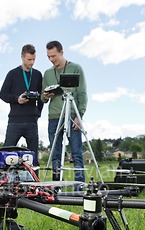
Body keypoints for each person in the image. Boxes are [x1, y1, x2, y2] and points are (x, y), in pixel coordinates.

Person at [41, 40, 88, 182]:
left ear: (61, 52)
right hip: (54, 117)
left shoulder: (76, 68)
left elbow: (82, 94)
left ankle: (79, 187)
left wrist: (80, 115)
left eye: (54, 56)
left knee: (77, 153)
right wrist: (45, 96)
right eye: (49, 56)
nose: (51, 59)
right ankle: (56, 187)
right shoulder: (48, 73)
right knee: (55, 154)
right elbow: (43, 99)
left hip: (72, 115)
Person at [0, 44, 44, 168]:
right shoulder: (12, 74)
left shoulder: (38, 75)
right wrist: (16, 99)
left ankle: (35, 185)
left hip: (32, 122)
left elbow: (41, 97)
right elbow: (2, 94)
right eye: (29, 59)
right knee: (6, 155)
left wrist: (38, 112)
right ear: (22, 57)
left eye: (34, 59)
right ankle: (3, 184)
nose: (32, 62)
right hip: (15, 122)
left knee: (33, 158)